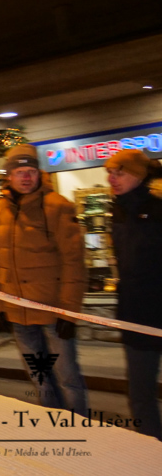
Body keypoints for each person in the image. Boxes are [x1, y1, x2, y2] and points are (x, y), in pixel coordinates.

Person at [0, 144, 89, 417]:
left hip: (53, 311)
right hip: (18, 311)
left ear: (39, 173)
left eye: (31, 171)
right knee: (40, 377)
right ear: (9, 175)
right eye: (19, 172)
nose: (26, 177)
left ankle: (81, 426)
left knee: (67, 377)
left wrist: (69, 311)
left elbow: (74, 262)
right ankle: (52, 422)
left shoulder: (57, 206)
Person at [104, 149, 162, 440]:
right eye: (110, 173)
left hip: (157, 309)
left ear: (138, 176)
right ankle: (152, 449)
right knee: (140, 394)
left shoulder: (158, 209)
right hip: (136, 316)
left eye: (120, 173)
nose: (112, 179)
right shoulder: (118, 211)